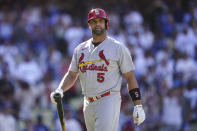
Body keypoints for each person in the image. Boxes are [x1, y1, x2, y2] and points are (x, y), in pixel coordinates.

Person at [51, 8, 145, 131]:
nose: (97, 24)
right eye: (94, 21)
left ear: (106, 23)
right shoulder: (80, 49)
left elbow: (130, 77)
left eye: (101, 21)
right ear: (89, 25)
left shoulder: (118, 48)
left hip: (108, 99)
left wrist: (138, 106)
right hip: (88, 102)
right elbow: (72, 74)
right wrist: (60, 89)